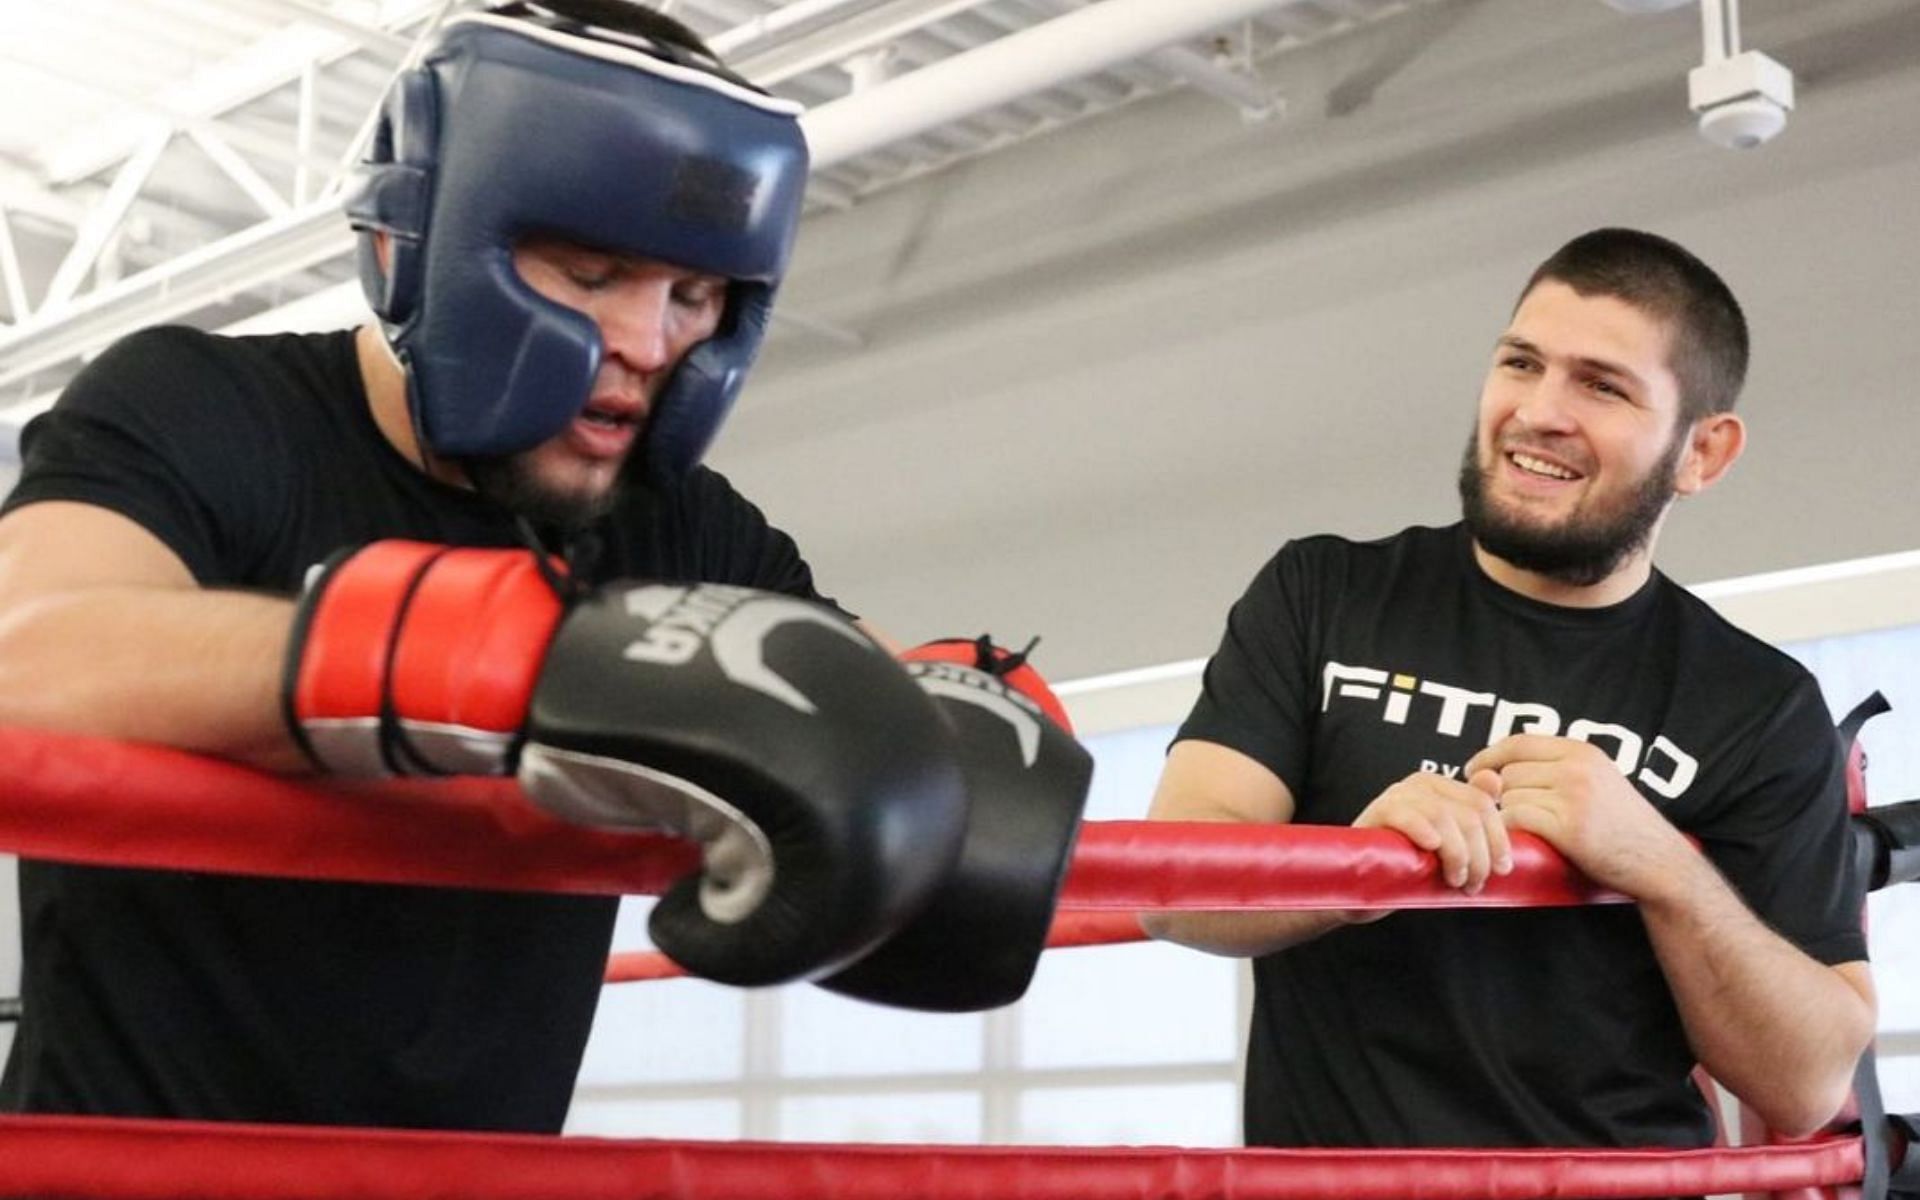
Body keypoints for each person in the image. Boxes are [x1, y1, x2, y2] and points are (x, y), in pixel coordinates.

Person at [0, 0, 1088, 1133]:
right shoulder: (202, 405)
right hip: (117, 1170)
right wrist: (503, 662)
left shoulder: (687, 531)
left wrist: (965, 732)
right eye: (592, 271)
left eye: (695, 296)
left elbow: (887, 724)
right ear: (408, 241)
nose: (649, 342)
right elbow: (27, 651)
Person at [1142, 228, 1876, 1153]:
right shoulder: (1324, 594)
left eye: (1601, 386)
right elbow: (1172, 884)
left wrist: (1662, 867)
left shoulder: (1757, 702)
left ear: (1702, 453)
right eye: (1520, 363)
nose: (1538, 411)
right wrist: (1356, 869)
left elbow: (1807, 1083)